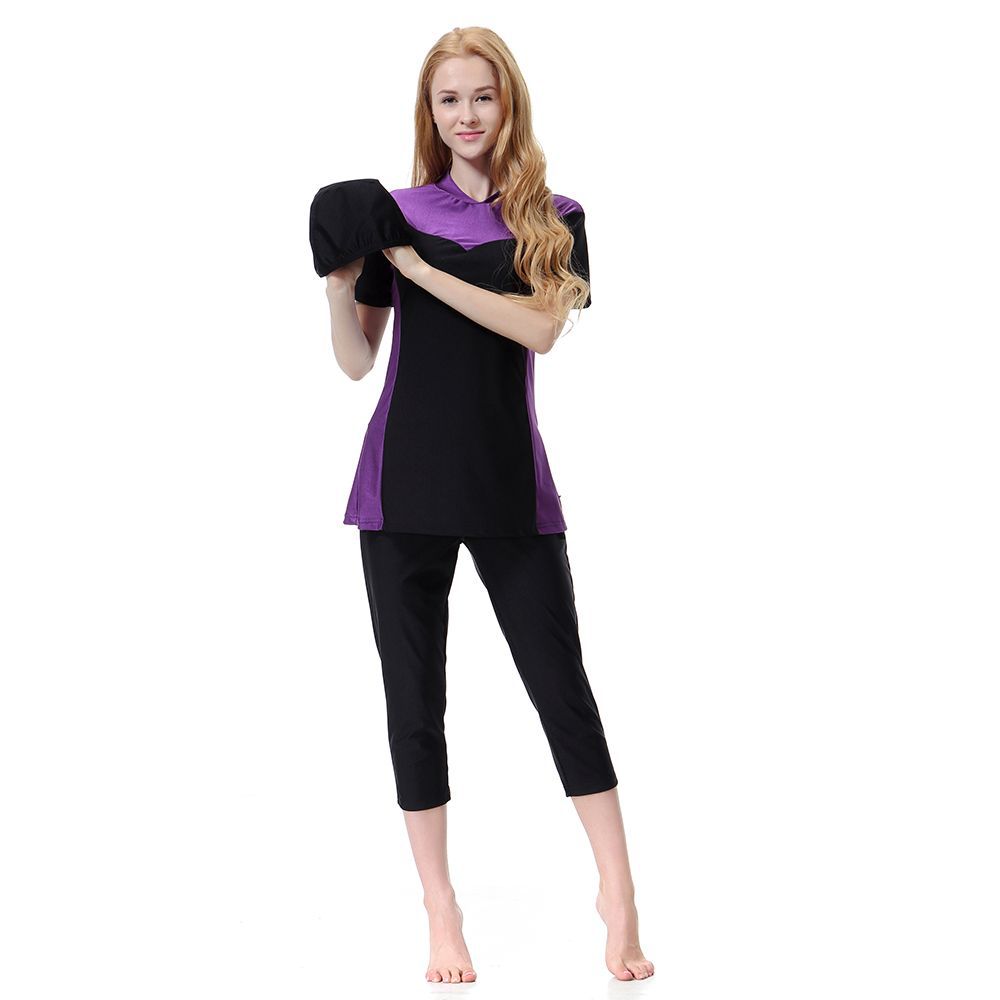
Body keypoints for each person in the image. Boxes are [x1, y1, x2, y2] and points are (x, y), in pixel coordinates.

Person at [317, 26, 654, 985]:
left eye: (482, 96)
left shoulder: (555, 215)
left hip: (509, 486)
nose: (466, 115)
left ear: (509, 104)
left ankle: (619, 894)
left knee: (563, 690)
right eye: (448, 100)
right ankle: (441, 909)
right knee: (414, 705)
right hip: (399, 489)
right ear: (429, 114)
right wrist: (341, 290)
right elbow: (356, 363)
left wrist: (420, 270)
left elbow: (540, 331)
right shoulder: (388, 213)